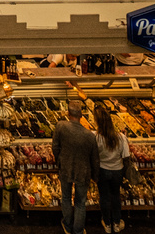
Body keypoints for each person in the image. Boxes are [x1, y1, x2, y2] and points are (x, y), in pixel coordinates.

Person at [52, 98, 98, 234]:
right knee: (80, 202)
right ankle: (78, 229)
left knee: (66, 197)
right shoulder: (90, 136)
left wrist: (58, 160)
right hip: (83, 172)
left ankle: (67, 225)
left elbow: (55, 147)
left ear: (68, 113)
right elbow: (95, 158)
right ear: (81, 115)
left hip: (65, 168)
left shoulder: (61, 126)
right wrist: (96, 175)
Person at [93, 104, 131, 234]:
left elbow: (93, 155)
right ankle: (116, 222)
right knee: (115, 196)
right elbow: (126, 156)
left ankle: (107, 224)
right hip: (117, 171)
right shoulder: (121, 137)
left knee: (104, 197)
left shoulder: (96, 138)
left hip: (102, 170)